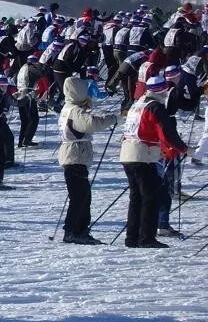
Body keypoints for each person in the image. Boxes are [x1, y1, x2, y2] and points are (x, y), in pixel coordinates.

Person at [119, 76, 189, 248]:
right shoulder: (155, 107)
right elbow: (166, 132)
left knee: (136, 198)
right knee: (151, 197)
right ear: (163, 90)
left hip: (128, 153)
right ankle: (146, 238)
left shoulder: (137, 103)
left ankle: (132, 237)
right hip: (144, 156)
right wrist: (183, 148)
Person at [57, 77, 118, 244]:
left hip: (73, 154)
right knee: (80, 196)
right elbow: (90, 124)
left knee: (82, 195)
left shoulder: (69, 107)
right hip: (75, 155)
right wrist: (111, 119)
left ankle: (79, 230)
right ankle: (74, 231)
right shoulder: (75, 111)